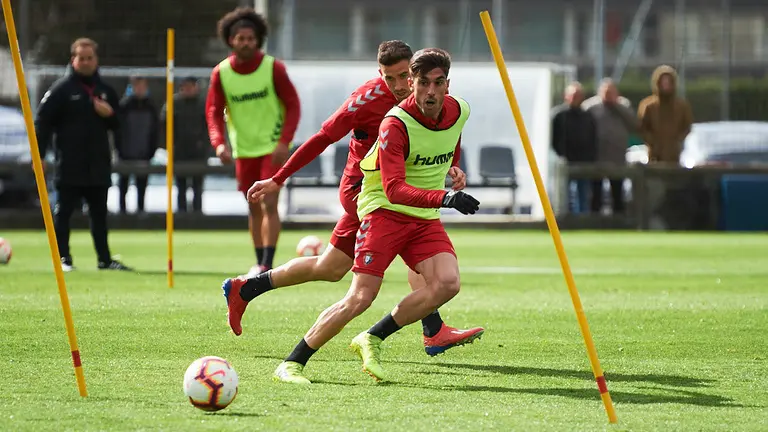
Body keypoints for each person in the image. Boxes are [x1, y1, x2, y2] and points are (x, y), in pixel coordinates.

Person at [224, 40, 484, 358]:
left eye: (405, 76)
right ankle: (431, 331)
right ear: (380, 75)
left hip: (399, 192)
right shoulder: (367, 100)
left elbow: (444, 130)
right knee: (405, 252)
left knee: (331, 267)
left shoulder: (429, 99)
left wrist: (453, 164)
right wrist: (278, 178)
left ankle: (247, 287)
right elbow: (322, 138)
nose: (400, 86)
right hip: (364, 191)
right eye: (391, 78)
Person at [206, 7, 301, 275]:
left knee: (268, 202)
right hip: (244, 149)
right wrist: (219, 143)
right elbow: (213, 111)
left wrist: (285, 141)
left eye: (250, 38)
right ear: (230, 40)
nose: (245, 42)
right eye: (240, 38)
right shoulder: (221, 73)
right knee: (252, 204)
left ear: (258, 39)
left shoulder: (273, 68)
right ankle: (259, 259)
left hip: (273, 149)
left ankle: (267, 263)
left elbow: (293, 105)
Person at [34, 37, 131, 272]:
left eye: (90, 58)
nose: (86, 62)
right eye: (81, 58)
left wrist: (109, 114)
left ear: (96, 60)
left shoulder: (105, 91)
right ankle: (63, 259)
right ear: (73, 60)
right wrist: (39, 156)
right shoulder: (61, 90)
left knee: (99, 214)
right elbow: (42, 122)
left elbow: (119, 125)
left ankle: (105, 260)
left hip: (98, 164)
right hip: (69, 164)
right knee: (64, 212)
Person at [586, 79, 638, 214]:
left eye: (611, 92)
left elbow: (634, 125)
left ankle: (618, 220)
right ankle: (594, 221)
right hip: (597, 157)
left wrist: (617, 105)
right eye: (605, 92)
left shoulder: (624, 105)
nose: (608, 95)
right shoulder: (590, 107)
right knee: (595, 193)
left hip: (617, 157)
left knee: (617, 192)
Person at [162, 77, 209, 213]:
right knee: (180, 187)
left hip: (198, 153)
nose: (188, 89)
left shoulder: (202, 104)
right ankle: (181, 216)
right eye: (185, 86)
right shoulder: (173, 104)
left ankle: (197, 215)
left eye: (191, 86)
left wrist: (204, 145)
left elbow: (209, 127)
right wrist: (171, 145)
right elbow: (164, 125)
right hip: (179, 152)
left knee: (198, 188)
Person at [551, 82, 597, 214]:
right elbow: (554, 139)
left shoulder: (587, 116)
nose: (575, 98)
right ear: (566, 96)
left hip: (584, 162)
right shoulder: (559, 116)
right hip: (565, 161)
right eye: (573, 95)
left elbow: (592, 138)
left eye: (578, 95)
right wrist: (561, 155)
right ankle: (564, 219)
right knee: (563, 195)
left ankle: (582, 220)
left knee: (583, 194)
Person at [117, 75, 159, 215]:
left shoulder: (151, 107)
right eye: (137, 86)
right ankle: (122, 212)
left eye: (142, 86)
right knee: (123, 185)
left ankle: (141, 212)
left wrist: (151, 151)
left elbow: (154, 131)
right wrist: (120, 150)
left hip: (144, 154)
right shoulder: (124, 105)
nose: (140, 89)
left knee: (142, 186)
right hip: (126, 154)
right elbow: (118, 131)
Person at [638, 65, 693, 164]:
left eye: (669, 81)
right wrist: (653, 143)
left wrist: (677, 141)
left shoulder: (682, 106)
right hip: (655, 155)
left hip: (674, 155)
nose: (666, 84)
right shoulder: (648, 106)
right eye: (663, 81)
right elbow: (642, 128)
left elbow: (687, 126)